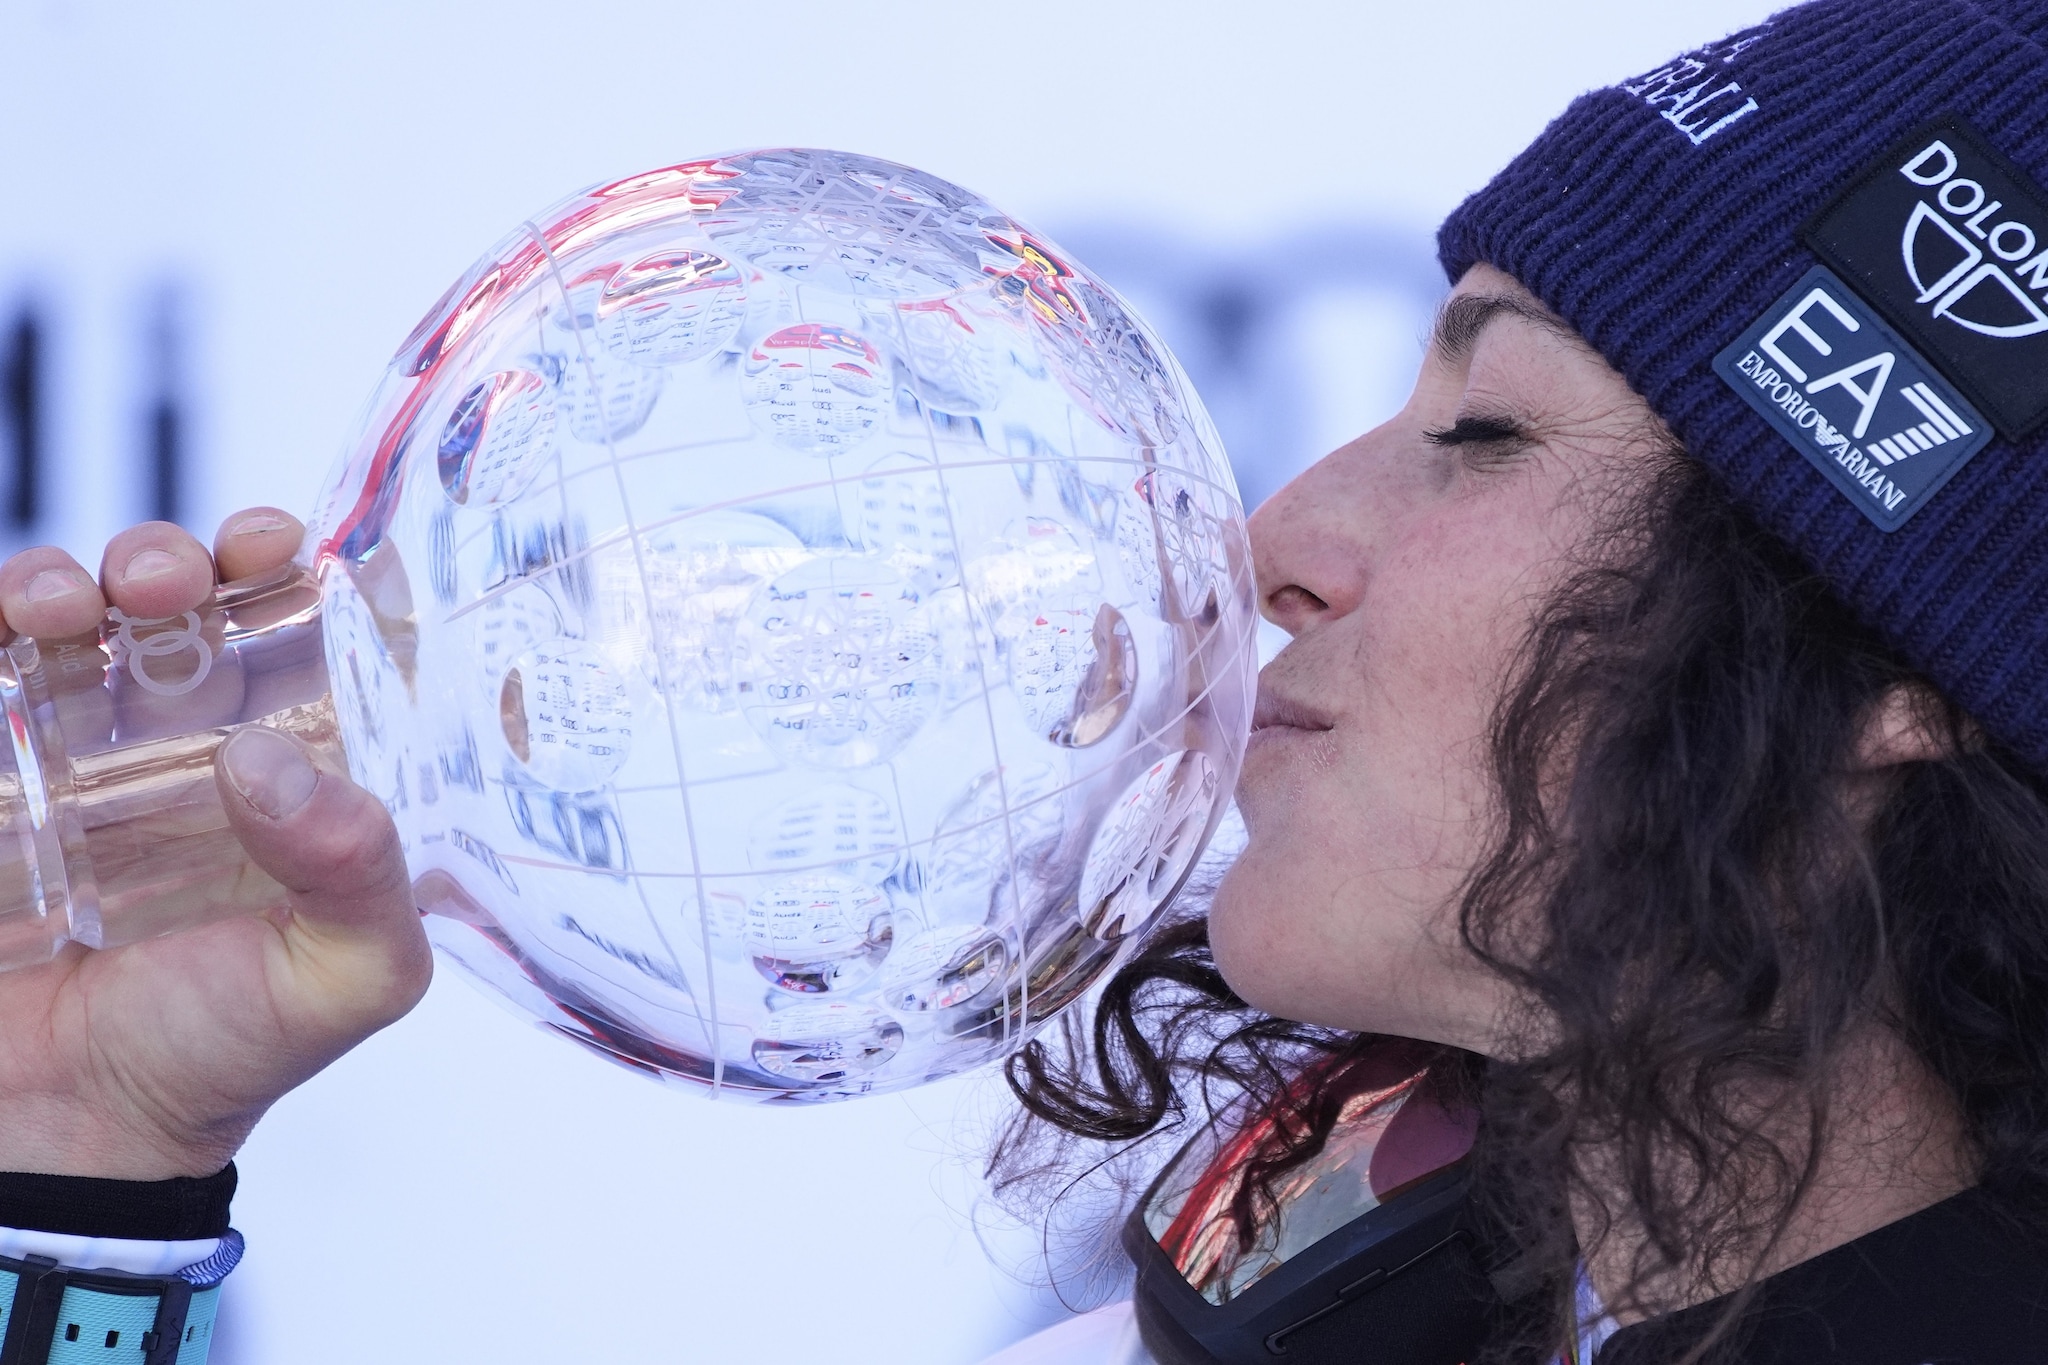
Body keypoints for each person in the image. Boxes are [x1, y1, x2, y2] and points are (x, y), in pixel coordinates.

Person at [0, 1, 2044, 1361]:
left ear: (1885, 670)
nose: (1276, 540)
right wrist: (84, 1178)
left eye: (1483, 432)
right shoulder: (1337, 1280)